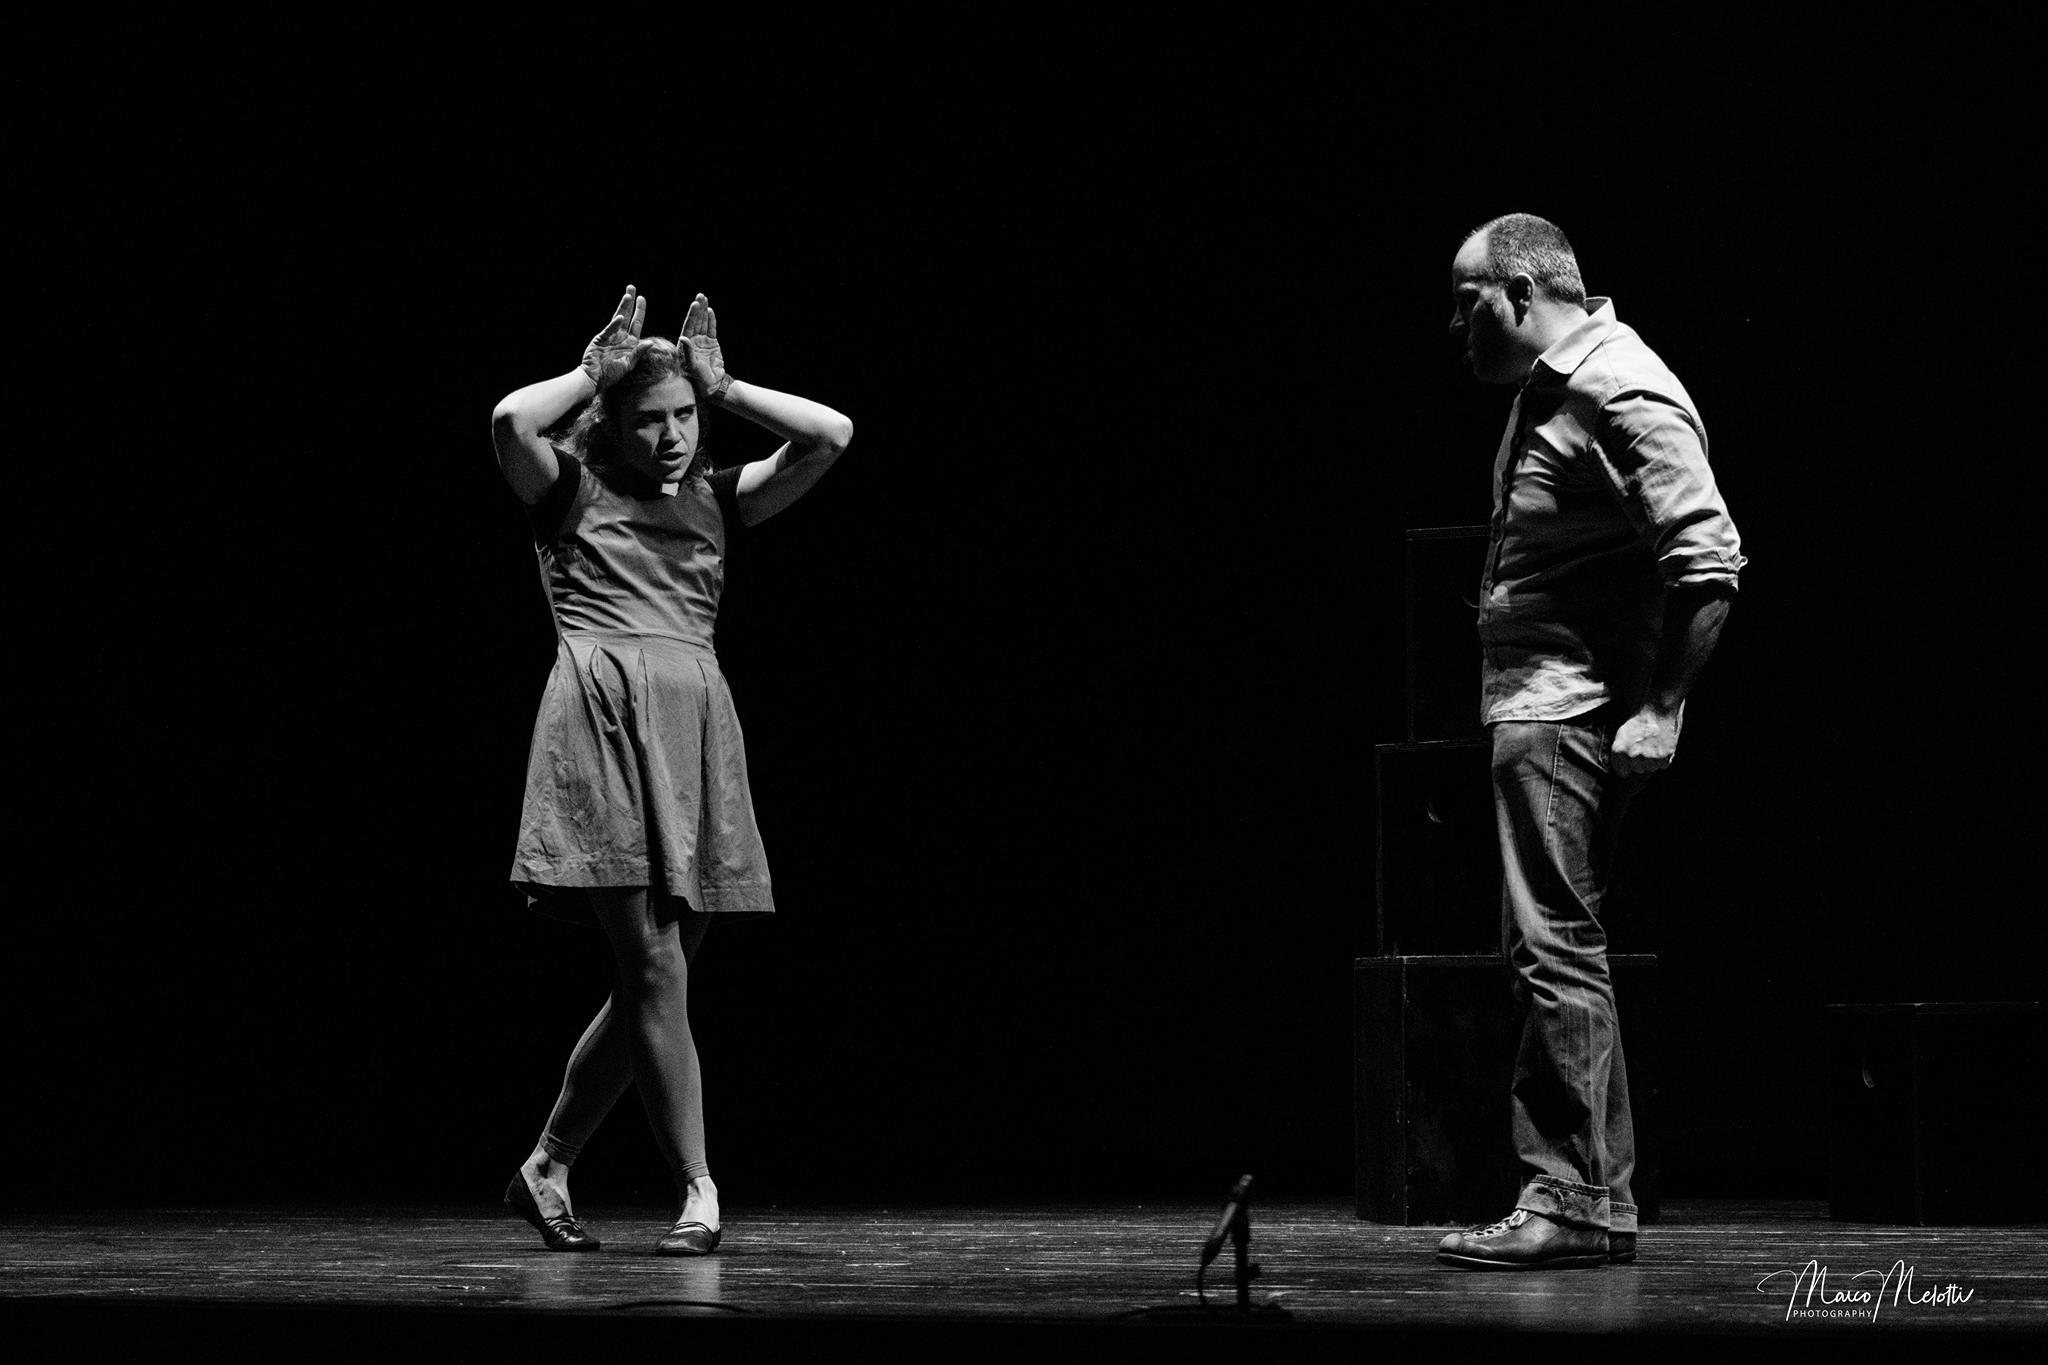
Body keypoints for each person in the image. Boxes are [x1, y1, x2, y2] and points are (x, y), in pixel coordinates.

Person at [490, 286, 852, 1255]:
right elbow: (510, 419)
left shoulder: (716, 499)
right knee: (653, 967)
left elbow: (831, 434)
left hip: (693, 730)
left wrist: (724, 383)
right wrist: (591, 372)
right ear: (611, 422)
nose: (673, 436)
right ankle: (698, 1186)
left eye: (685, 415)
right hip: (603, 722)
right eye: (650, 419)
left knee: (659, 978)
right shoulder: (567, 489)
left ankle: (546, 1165)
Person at [1433, 216, 1743, 1270]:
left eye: (1467, 302)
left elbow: (1708, 558)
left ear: (1521, 291)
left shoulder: (1616, 388)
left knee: (1552, 947)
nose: (1456, 327)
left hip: (1567, 710)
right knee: (1558, 945)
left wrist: (1663, 708)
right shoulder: (1555, 389)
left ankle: (1567, 1201)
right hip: (1543, 702)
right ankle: (1592, 1201)